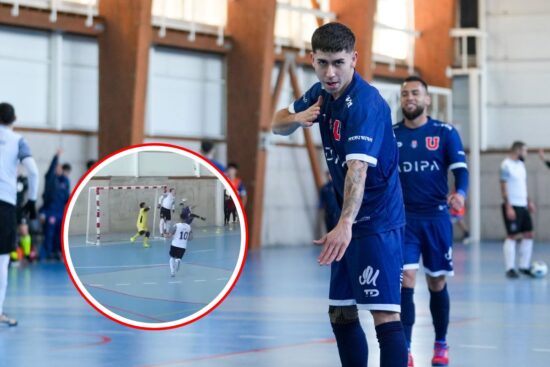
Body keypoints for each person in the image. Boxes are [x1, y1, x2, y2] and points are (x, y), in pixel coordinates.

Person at [272, 22, 408, 367]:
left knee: (384, 315)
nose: (330, 73)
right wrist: (297, 116)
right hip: (346, 222)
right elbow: (276, 122)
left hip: (376, 221)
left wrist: (345, 222)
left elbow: (357, 171)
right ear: (313, 60)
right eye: (322, 63)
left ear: (354, 59)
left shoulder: (365, 104)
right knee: (341, 314)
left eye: (338, 63)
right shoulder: (319, 93)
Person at [393, 76, 469, 367]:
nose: (409, 98)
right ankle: (407, 348)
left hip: (436, 218)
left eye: (415, 93)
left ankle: (440, 343)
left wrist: (460, 194)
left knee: (436, 281)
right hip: (404, 220)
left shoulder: (445, 132)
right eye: (404, 94)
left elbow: (461, 170)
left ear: (427, 100)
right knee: (406, 281)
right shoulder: (392, 134)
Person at [0, 102, 39, 326]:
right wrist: (32, 200)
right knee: (2, 260)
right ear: (14, 119)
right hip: (4, 204)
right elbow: (32, 171)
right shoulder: (18, 141)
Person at [500, 141, 536, 278]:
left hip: (523, 205)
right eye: (525, 151)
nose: (526, 154)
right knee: (512, 236)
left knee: (529, 234)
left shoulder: (521, 165)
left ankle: (523, 266)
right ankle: (510, 268)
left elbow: (523, 185)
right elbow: (503, 188)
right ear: (518, 150)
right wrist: (508, 206)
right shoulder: (505, 165)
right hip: (512, 205)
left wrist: (529, 201)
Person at [40, 150, 71, 260]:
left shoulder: (65, 181)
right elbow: (50, 170)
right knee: (50, 234)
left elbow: (68, 196)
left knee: (60, 234)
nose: (58, 169)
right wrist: (56, 157)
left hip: (61, 212)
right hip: (51, 212)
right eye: (56, 168)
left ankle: (59, 252)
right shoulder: (50, 179)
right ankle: (49, 253)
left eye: (60, 168)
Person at [165, 212, 193, 277]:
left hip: (175, 244)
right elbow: (191, 238)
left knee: (172, 258)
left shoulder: (176, 225)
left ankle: (172, 272)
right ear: (186, 218)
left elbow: (170, 235)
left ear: (180, 218)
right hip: (183, 246)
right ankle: (178, 260)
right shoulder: (189, 227)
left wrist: (166, 235)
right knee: (178, 257)